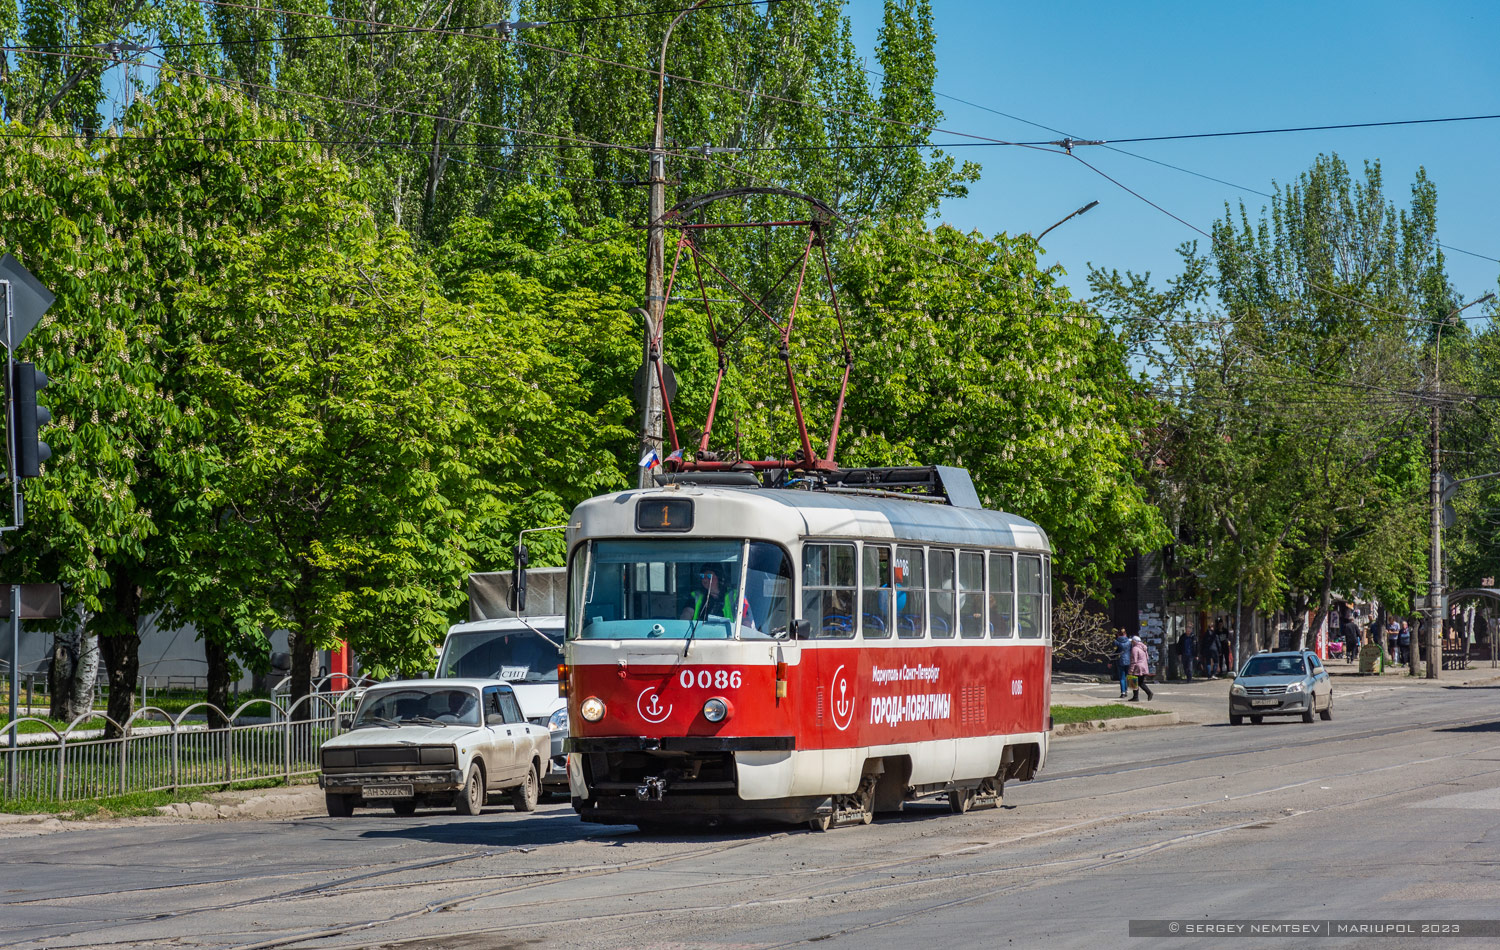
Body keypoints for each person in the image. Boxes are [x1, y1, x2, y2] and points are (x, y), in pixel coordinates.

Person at [1129, 635, 1154, 701]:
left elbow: (1134, 660)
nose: (1131, 643)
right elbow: (1147, 657)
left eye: (1132, 641)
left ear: (1134, 642)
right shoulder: (1144, 648)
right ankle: (1149, 692)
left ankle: (1135, 697)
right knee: (1141, 682)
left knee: (1134, 681)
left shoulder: (1135, 649)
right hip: (1144, 667)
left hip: (1138, 667)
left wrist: (1131, 670)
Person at [1115, 628, 1132, 699]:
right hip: (1128, 660)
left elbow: (1115, 652)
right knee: (1127, 676)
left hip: (1120, 660)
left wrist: (1110, 661)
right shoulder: (1129, 642)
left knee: (1122, 677)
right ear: (1125, 634)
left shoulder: (1116, 642)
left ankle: (1123, 692)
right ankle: (1126, 690)